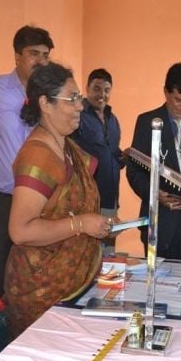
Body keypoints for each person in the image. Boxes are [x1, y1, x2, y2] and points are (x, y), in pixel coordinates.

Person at [3, 62, 112, 339]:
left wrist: (94, 222)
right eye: (72, 98)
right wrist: (81, 224)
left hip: (69, 286)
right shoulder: (38, 155)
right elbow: (20, 230)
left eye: (79, 98)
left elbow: (68, 207)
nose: (80, 106)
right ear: (45, 103)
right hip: (40, 292)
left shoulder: (65, 147)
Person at [0, 25, 54, 297]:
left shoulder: (51, 97)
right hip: (3, 199)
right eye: (33, 53)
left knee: (33, 277)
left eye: (45, 55)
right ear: (17, 56)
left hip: (43, 202)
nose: (40, 60)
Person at [126, 62, 181, 260]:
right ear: (165, 92)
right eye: (178, 100)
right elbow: (134, 171)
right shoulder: (147, 122)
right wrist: (155, 193)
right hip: (160, 221)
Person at [70, 68, 125, 253]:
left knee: (108, 256)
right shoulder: (77, 116)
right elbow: (72, 152)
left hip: (110, 200)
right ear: (87, 88)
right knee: (87, 255)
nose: (102, 94)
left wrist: (126, 156)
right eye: (97, 88)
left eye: (107, 90)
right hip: (87, 201)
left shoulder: (113, 120)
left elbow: (112, 154)